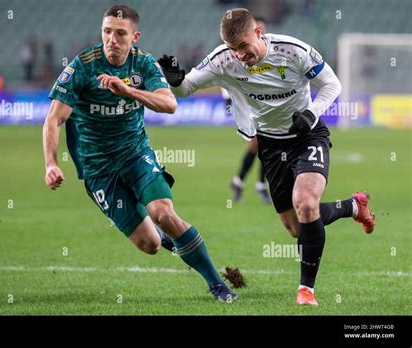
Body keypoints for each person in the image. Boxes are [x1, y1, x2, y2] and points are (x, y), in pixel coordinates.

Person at [158, 8, 375, 306]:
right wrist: (173, 77)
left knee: (306, 203)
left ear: (258, 32)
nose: (240, 56)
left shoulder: (292, 51)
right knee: (296, 227)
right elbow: (185, 89)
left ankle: (306, 291)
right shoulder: (223, 59)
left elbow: (332, 84)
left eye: (244, 47)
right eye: (234, 49)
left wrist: (311, 112)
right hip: (271, 146)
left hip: (307, 135)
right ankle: (352, 206)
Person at [43, 5, 237, 302]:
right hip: (98, 171)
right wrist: (51, 164)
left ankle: (217, 286)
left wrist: (128, 91)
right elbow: (54, 118)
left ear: (135, 36)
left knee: (163, 212)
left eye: (120, 33)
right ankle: (162, 236)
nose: (112, 39)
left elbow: (170, 105)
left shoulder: (144, 65)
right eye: (107, 31)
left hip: (136, 155)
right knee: (150, 244)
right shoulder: (82, 67)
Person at [225, 17, 271, 204]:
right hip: (250, 108)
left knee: (260, 146)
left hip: (264, 108)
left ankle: (240, 181)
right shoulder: (240, 55)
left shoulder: (268, 53)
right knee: (265, 144)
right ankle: (259, 184)